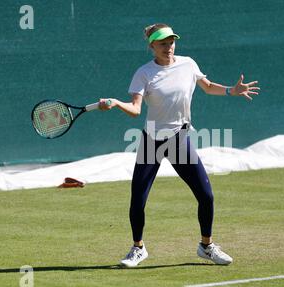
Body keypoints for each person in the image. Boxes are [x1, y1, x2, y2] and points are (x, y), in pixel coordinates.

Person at [99, 23, 260, 267]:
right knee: (138, 199)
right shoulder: (144, 73)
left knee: (206, 196)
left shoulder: (188, 64)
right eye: (162, 43)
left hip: (179, 139)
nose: (168, 47)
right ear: (152, 46)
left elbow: (207, 87)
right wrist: (115, 103)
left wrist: (231, 91)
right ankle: (138, 248)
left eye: (171, 42)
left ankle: (206, 246)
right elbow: (135, 110)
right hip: (152, 141)